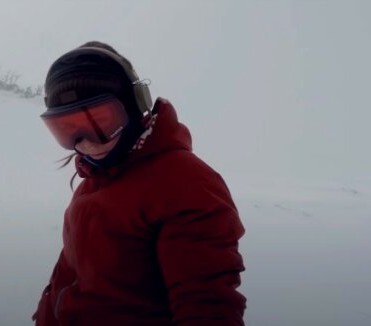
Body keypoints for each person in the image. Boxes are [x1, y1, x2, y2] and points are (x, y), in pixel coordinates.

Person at [32, 41, 246, 326]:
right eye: (68, 129)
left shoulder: (184, 183)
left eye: (99, 122)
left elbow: (206, 304)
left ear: (136, 106)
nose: (86, 142)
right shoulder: (92, 184)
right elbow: (68, 277)